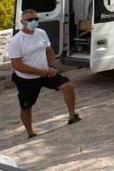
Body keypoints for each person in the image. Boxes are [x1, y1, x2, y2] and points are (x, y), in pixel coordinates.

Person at [9, 9, 79, 138]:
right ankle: (30, 132)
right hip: (26, 79)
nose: (33, 22)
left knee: (68, 86)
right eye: (29, 20)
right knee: (26, 107)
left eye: (36, 19)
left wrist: (52, 66)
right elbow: (17, 65)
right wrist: (39, 72)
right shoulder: (16, 41)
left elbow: (49, 51)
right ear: (22, 22)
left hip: (46, 72)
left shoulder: (41, 33)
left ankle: (72, 116)